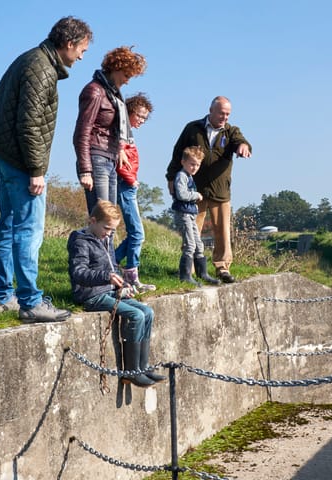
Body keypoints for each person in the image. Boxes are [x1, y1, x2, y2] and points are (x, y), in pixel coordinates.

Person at [0, 16, 92, 323]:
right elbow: (29, 124)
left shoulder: (33, 59)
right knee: (28, 230)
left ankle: (2, 298)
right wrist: (36, 169)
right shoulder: (41, 69)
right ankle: (30, 302)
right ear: (69, 44)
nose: (81, 56)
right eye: (81, 49)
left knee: (9, 227)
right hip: (20, 162)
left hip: (5, 155)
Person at [67, 200, 165, 387]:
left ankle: (142, 366)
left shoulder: (105, 238)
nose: (109, 233)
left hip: (108, 290)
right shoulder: (80, 241)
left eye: (112, 230)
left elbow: (112, 267)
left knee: (148, 312)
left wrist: (122, 285)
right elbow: (78, 272)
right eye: (107, 228)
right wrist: (107, 277)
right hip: (91, 295)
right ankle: (130, 372)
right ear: (92, 221)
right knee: (136, 315)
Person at [165, 96, 252, 283]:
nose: (224, 117)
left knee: (222, 232)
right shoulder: (193, 128)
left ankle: (222, 268)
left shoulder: (231, 132)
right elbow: (177, 153)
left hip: (220, 191)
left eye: (228, 114)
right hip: (195, 190)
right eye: (221, 113)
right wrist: (171, 177)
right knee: (191, 230)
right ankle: (190, 269)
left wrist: (244, 147)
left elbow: (241, 141)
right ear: (211, 110)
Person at [73, 46, 147, 215]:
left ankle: (107, 243)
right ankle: (84, 242)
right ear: (115, 68)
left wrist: (119, 149)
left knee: (110, 218)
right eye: (127, 75)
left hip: (110, 158)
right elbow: (82, 131)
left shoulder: (113, 94)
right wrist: (85, 170)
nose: (128, 81)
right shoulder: (95, 91)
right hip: (96, 157)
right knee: (101, 217)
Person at [114, 93, 156, 292]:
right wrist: (131, 180)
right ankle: (130, 275)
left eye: (144, 118)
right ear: (128, 112)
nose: (141, 120)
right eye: (139, 115)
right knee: (137, 233)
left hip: (128, 185)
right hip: (125, 185)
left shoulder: (129, 132)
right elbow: (119, 158)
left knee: (135, 233)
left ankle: (112, 263)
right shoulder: (123, 132)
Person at [172, 146, 220, 286]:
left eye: (197, 165)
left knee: (199, 244)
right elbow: (181, 194)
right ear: (183, 162)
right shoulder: (181, 176)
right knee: (190, 244)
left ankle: (202, 273)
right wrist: (196, 195)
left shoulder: (189, 177)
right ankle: (185, 275)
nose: (195, 167)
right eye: (192, 164)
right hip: (183, 214)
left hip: (191, 214)